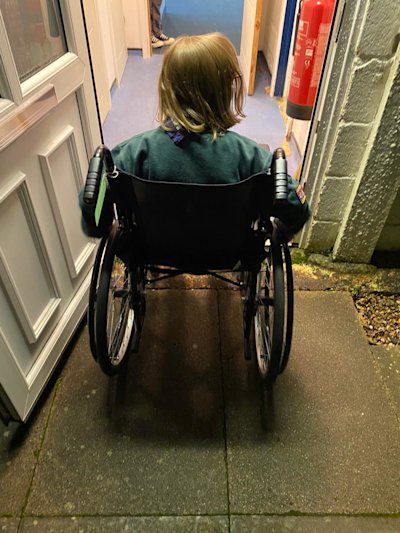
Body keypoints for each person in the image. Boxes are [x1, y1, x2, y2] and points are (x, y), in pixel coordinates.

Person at [110, 32, 310, 236]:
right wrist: (278, 234)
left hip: (156, 249)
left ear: (167, 88)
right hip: (228, 254)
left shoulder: (136, 152)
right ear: (223, 92)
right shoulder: (249, 157)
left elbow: (94, 207)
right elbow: (298, 210)